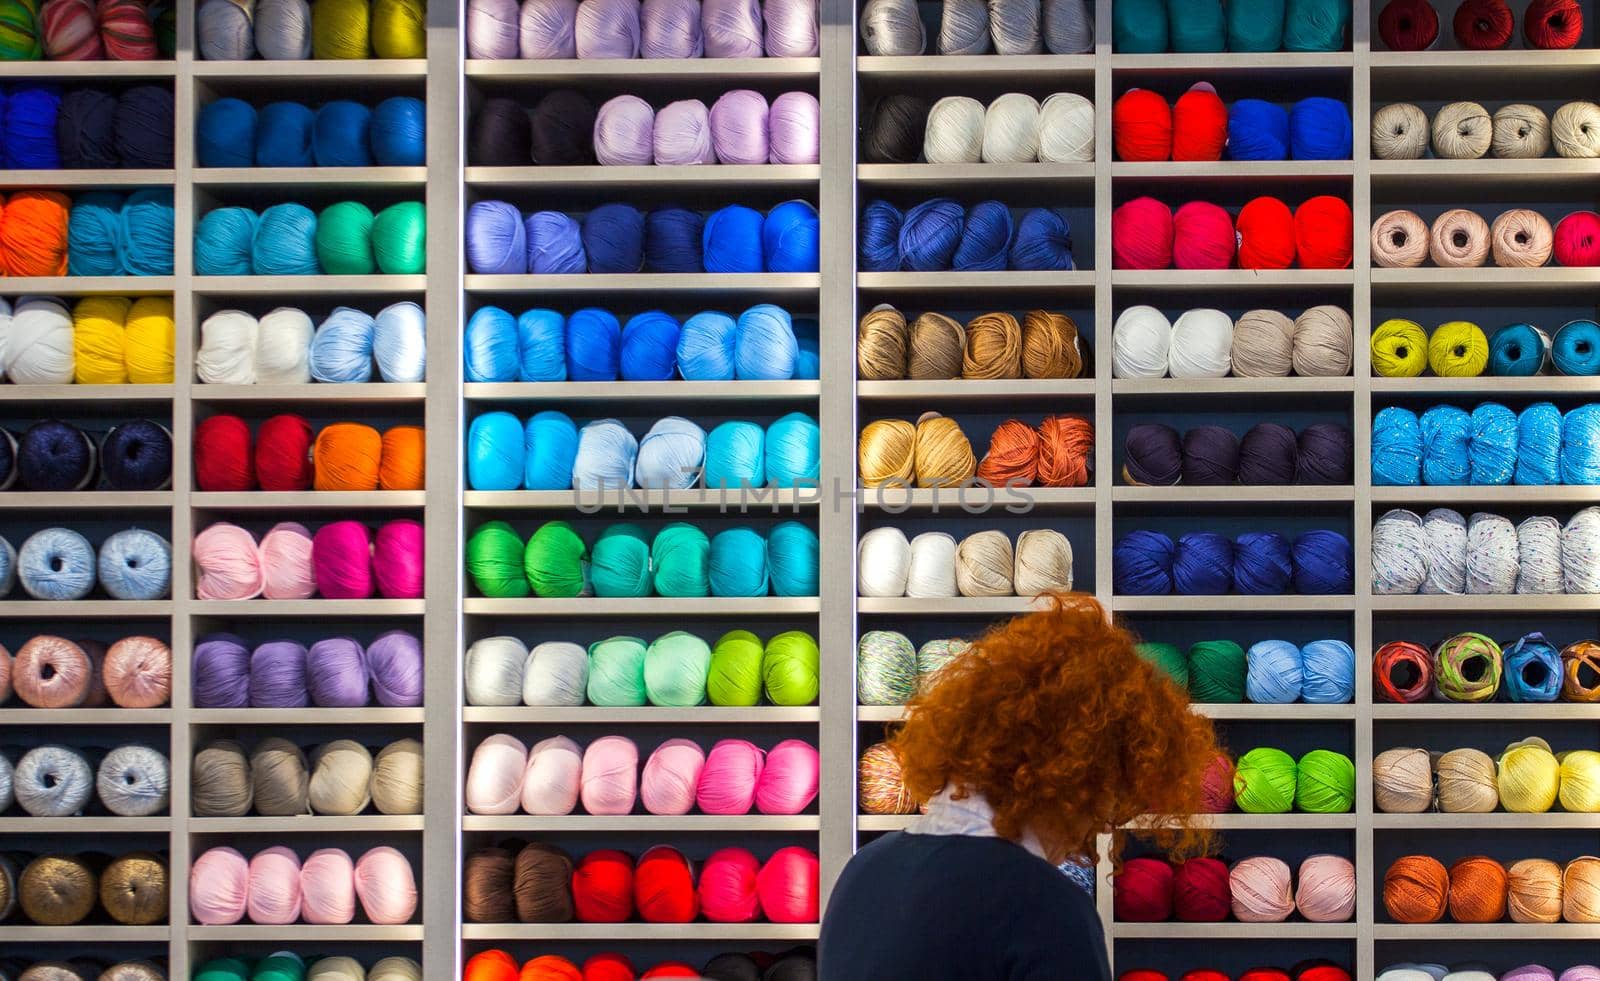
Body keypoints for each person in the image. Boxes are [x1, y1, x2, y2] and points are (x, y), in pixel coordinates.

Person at [819, 593, 1219, 980]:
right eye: (1111, 796)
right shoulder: (1046, 908)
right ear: (1076, 774)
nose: (1101, 826)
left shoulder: (862, 873)